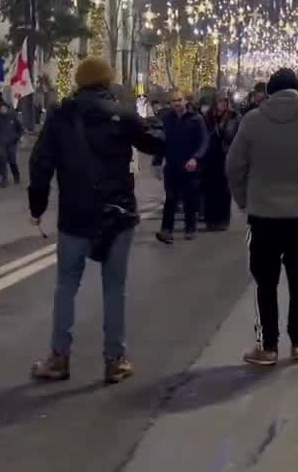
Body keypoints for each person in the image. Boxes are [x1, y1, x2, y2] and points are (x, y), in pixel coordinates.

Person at [28, 58, 167, 384]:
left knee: (66, 285)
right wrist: (157, 117)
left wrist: (38, 206)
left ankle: (59, 358)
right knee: (114, 287)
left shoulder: (60, 116)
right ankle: (114, 360)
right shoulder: (123, 115)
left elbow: (40, 165)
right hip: (116, 214)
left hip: (75, 214)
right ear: (107, 82)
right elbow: (157, 142)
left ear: (78, 82)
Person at [227, 69, 298, 365]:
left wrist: (244, 200)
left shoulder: (252, 121)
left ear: (270, 92)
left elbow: (233, 165)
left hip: (264, 215)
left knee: (265, 282)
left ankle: (268, 347)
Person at [154, 91, 209, 244]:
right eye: (173, 101)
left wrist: (195, 158)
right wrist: (157, 163)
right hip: (172, 166)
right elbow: (161, 143)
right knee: (170, 198)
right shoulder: (166, 120)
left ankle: (190, 228)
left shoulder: (196, 120)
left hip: (190, 167)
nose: (176, 103)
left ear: (186, 101)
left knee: (189, 199)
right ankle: (166, 230)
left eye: (179, 100)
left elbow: (204, 142)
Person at [202, 93, 240, 231]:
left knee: (224, 191)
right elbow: (203, 135)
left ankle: (223, 220)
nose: (222, 104)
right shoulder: (207, 117)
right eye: (219, 101)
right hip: (210, 157)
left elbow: (235, 136)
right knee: (210, 190)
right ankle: (210, 220)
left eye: (224, 101)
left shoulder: (234, 117)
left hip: (226, 156)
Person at [0, 99, 24, 188]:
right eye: (1, 108)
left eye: (5, 108)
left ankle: (16, 176)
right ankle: (4, 180)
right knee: (2, 161)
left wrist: (17, 137)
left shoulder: (12, 117)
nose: (3, 110)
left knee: (12, 161)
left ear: (7, 109)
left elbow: (20, 129)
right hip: (1, 144)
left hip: (12, 143)